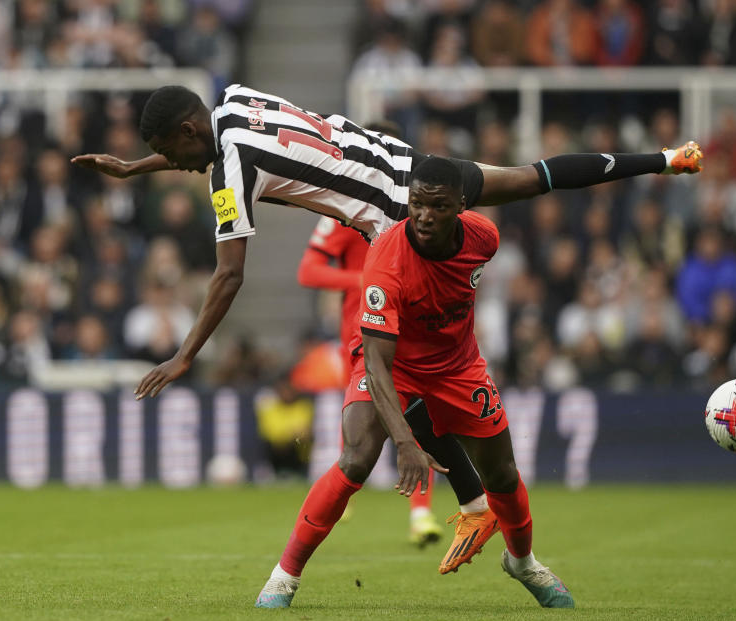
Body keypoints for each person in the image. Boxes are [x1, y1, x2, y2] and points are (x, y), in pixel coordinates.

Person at [70, 83, 703, 403]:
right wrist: (134, 167)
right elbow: (204, 150)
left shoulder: (228, 175)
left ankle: (470, 498)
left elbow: (228, 275)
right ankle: (667, 159)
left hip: (397, 222)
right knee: (531, 178)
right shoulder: (235, 101)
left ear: (186, 130)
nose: (174, 163)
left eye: (169, 152)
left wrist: (185, 355)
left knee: (386, 369)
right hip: (411, 164)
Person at [256, 158, 575, 609]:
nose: (424, 216)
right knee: (357, 457)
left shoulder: (484, 237)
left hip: (458, 366)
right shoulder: (386, 262)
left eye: (438, 206)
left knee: (502, 473)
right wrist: (405, 441)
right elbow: (377, 364)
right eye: (417, 204)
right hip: (395, 365)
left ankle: (522, 562)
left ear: (461, 206)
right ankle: (283, 577)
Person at [298, 211, 495, 566]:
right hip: (363, 337)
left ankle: (420, 514)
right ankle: (345, 496)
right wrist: (366, 278)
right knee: (367, 424)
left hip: (420, 339)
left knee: (422, 420)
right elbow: (308, 271)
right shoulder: (349, 214)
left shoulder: (420, 215)